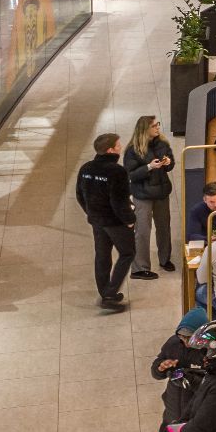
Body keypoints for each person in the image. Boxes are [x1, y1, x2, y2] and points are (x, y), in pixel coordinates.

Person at [76, 132, 137, 311]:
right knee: (127, 253)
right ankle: (110, 295)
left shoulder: (86, 168)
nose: (120, 147)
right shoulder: (117, 171)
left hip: (96, 221)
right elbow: (119, 201)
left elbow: (80, 195)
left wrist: (91, 212)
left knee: (102, 255)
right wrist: (129, 220)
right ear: (111, 150)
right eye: (118, 145)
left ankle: (105, 291)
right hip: (115, 222)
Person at [123, 115, 174, 281]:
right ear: (145, 130)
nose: (157, 127)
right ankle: (139, 268)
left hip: (161, 193)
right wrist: (149, 167)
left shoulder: (163, 143)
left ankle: (165, 259)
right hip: (142, 195)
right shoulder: (133, 150)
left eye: (157, 124)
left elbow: (171, 164)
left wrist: (168, 162)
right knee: (143, 231)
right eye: (154, 125)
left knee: (164, 227)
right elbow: (131, 175)